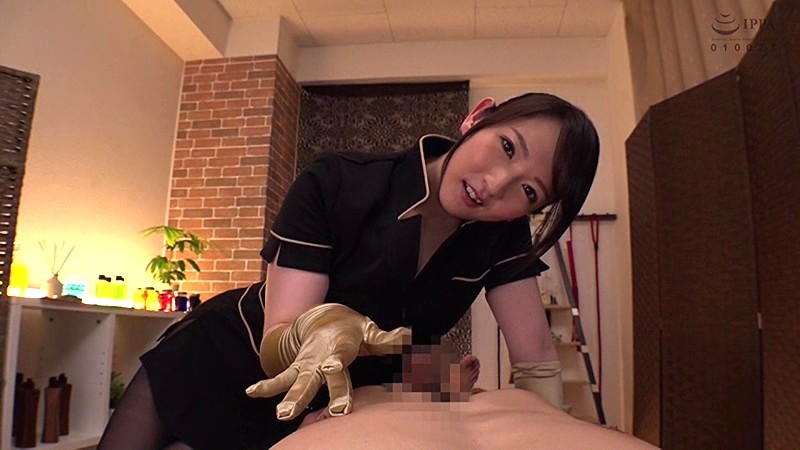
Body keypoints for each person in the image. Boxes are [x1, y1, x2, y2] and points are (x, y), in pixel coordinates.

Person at [98, 92, 599, 449]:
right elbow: (281, 336)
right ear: (478, 117)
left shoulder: (503, 236)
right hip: (223, 360)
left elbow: (537, 360)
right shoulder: (336, 182)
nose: (495, 184)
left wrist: (554, 433)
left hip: (325, 403)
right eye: (507, 147)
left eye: (528, 191)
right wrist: (330, 326)